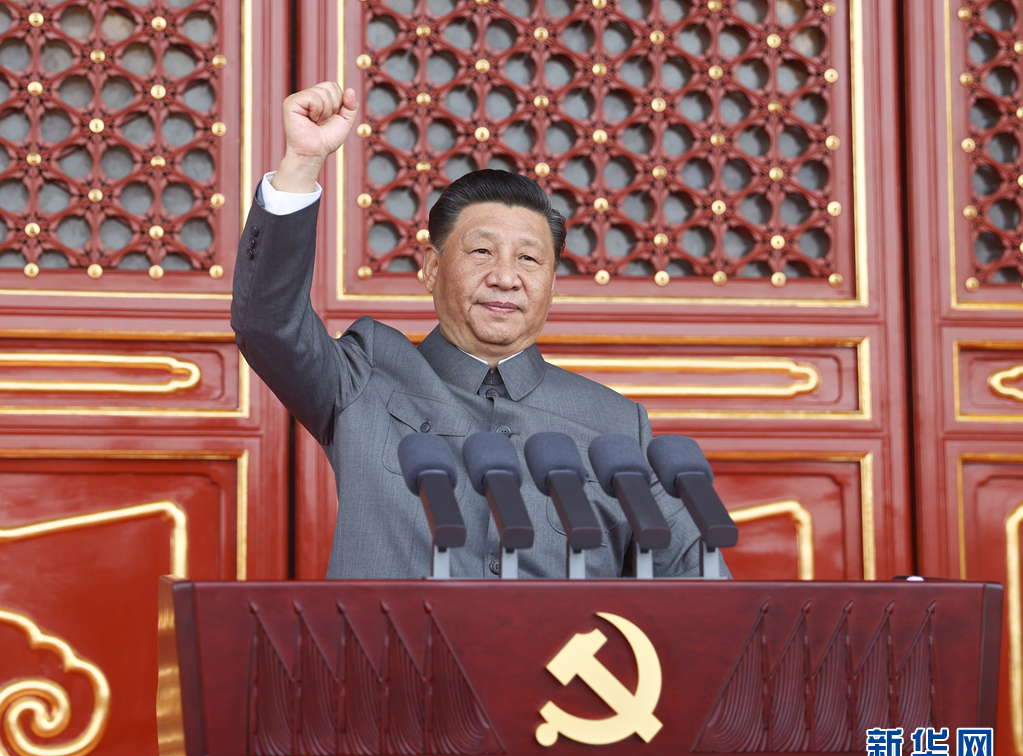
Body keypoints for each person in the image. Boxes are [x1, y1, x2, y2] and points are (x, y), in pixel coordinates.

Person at [232, 83, 716, 579]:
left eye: (528, 259)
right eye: (482, 251)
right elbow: (269, 324)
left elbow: (692, 581)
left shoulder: (613, 423)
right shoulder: (364, 378)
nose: (506, 276)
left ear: (550, 286)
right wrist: (301, 164)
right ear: (431, 269)